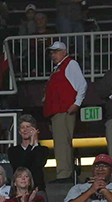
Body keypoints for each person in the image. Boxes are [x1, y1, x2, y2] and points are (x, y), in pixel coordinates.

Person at [43, 41, 86, 183]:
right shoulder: (59, 67)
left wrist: (76, 103)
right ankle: (64, 172)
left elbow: (82, 85)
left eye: (56, 51)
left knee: (62, 143)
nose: (53, 55)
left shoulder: (70, 64)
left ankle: (64, 174)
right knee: (61, 142)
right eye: (52, 52)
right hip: (57, 111)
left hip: (63, 110)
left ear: (64, 52)